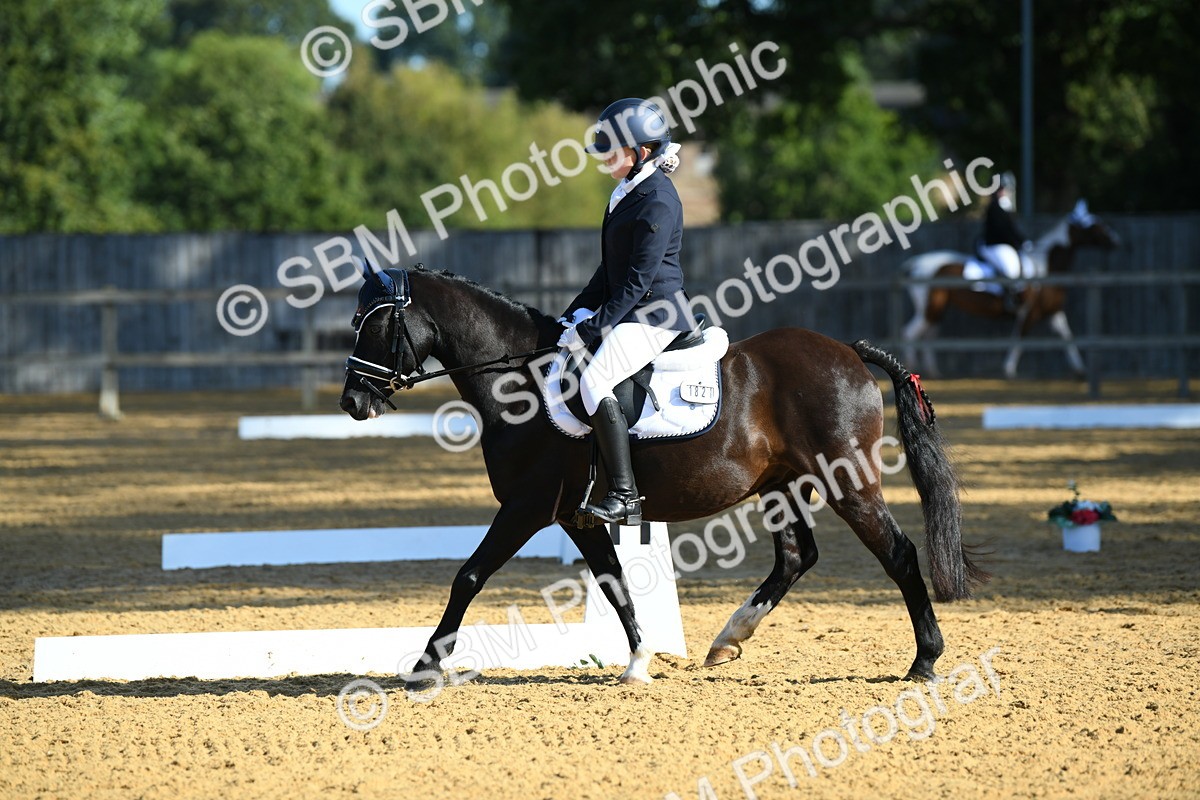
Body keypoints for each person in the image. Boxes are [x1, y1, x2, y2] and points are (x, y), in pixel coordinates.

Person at [557, 98, 694, 526]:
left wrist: (594, 328)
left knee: (596, 381)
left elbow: (637, 280)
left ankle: (626, 495)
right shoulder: (627, 191)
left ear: (644, 153)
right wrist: (573, 313)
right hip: (632, 309)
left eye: (613, 151)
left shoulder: (657, 200)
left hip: (655, 315)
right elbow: (608, 271)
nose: (604, 158)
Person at [978, 172, 1032, 312]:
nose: (1003, 191)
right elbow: (1002, 231)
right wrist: (1017, 242)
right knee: (1010, 269)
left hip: (1006, 246)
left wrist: (1023, 241)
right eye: (1000, 188)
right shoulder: (994, 208)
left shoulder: (1007, 208)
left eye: (1005, 188)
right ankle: (1009, 300)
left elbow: (1012, 229)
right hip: (994, 246)